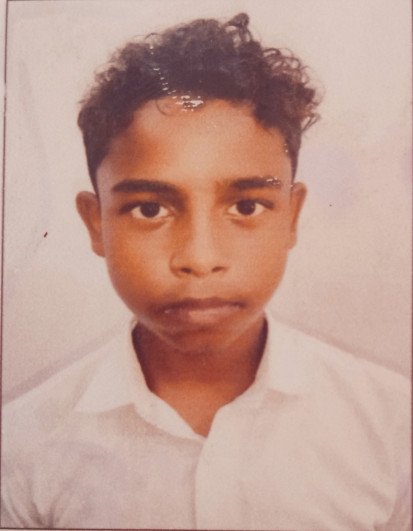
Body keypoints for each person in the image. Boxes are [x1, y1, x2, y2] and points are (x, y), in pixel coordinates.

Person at [1, 12, 410, 530]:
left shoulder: (393, 427)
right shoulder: (22, 448)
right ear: (96, 223)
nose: (199, 257)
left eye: (246, 206)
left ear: (291, 217)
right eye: (150, 209)